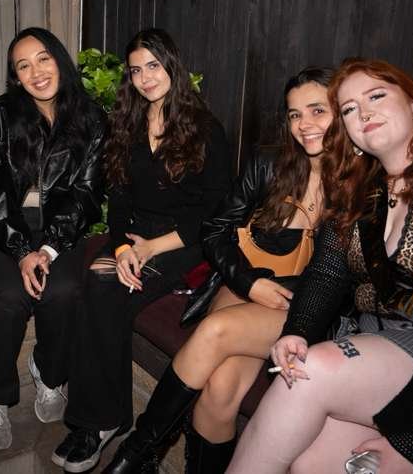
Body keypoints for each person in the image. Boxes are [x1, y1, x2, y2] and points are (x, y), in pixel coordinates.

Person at [227, 58, 413, 474]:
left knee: (314, 369)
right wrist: (296, 331)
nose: (362, 112)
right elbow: (326, 273)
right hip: (379, 341)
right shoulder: (360, 190)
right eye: (347, 108)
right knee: (309, 465)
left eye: (376, 96)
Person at [103, 67, 334, 474]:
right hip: (252, 281)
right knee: (219, 392)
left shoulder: (364, 182)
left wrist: (270, 287)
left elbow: (348, 278)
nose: (305, 124)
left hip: (314, 304)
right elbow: (216, 229)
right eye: (295, 114)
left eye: (318, 110)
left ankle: (136, 454)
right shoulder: (271, 164)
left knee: (214, 331)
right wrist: (249, 281)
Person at [53, 28, 232, 473]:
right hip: (137, 236)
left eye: (153, 66)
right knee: (98, 278)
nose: (146, 77)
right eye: (136, 70)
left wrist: (152, 247)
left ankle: (97, 423)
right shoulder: (128, 126)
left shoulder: (206, 129)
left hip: (187, 242)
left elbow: (214, 211)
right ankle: (103, 418)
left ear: (172, 65)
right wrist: (121, 247)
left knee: (103, 288)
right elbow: (119, 201)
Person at [0, 27, 106, 450]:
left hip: (58, 230)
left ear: (59, 59)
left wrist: (48, 247)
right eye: (23, 65)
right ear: (15, 77)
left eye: (43, 58)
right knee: (6, 295)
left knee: (64, 289)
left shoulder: (91, 118)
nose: (36, 71)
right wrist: (23, 250)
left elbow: (87, 193)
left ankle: (49, 372)